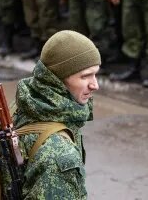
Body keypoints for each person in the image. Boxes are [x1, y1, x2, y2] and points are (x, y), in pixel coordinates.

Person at [8, 29, 100, 199]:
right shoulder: (59, 156)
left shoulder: (30, 102)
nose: (95, 85)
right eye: (85, 76)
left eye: (95, 74)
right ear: (57, 79)